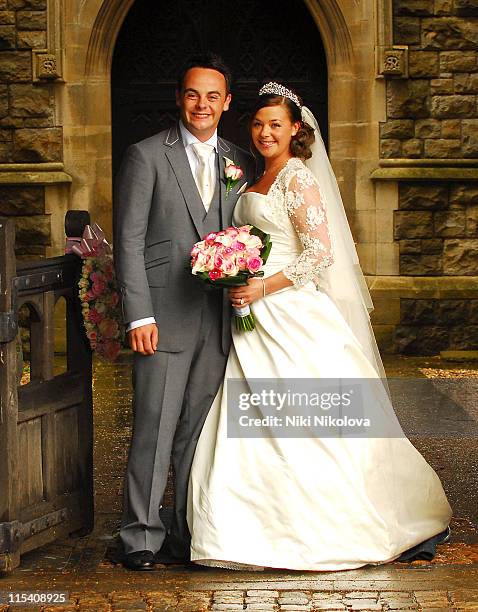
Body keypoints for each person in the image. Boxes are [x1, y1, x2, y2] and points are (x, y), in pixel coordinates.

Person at [186, 82, 452, 571]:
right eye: (259, 123)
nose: (266, 132)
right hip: (251, 316)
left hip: (289, 312)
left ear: (295, 131)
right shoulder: (254, 176)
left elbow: (319, 253)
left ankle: (329, 525)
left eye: (276, 125)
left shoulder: (298, 178)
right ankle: (248, 527)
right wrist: (231, 267)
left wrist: (262, 288)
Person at [114, 53, 254, 571]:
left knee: (197, 433)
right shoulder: (146, 155)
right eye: (193, 94)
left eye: (213, 96)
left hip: (217, 322)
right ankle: (140, 537)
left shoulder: (239, 161)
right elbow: (128, 242)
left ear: (227, 103)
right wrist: (138, 316)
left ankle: (186, 529)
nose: (202, 105)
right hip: (162, 318)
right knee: (153, 427)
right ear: (179, 98)